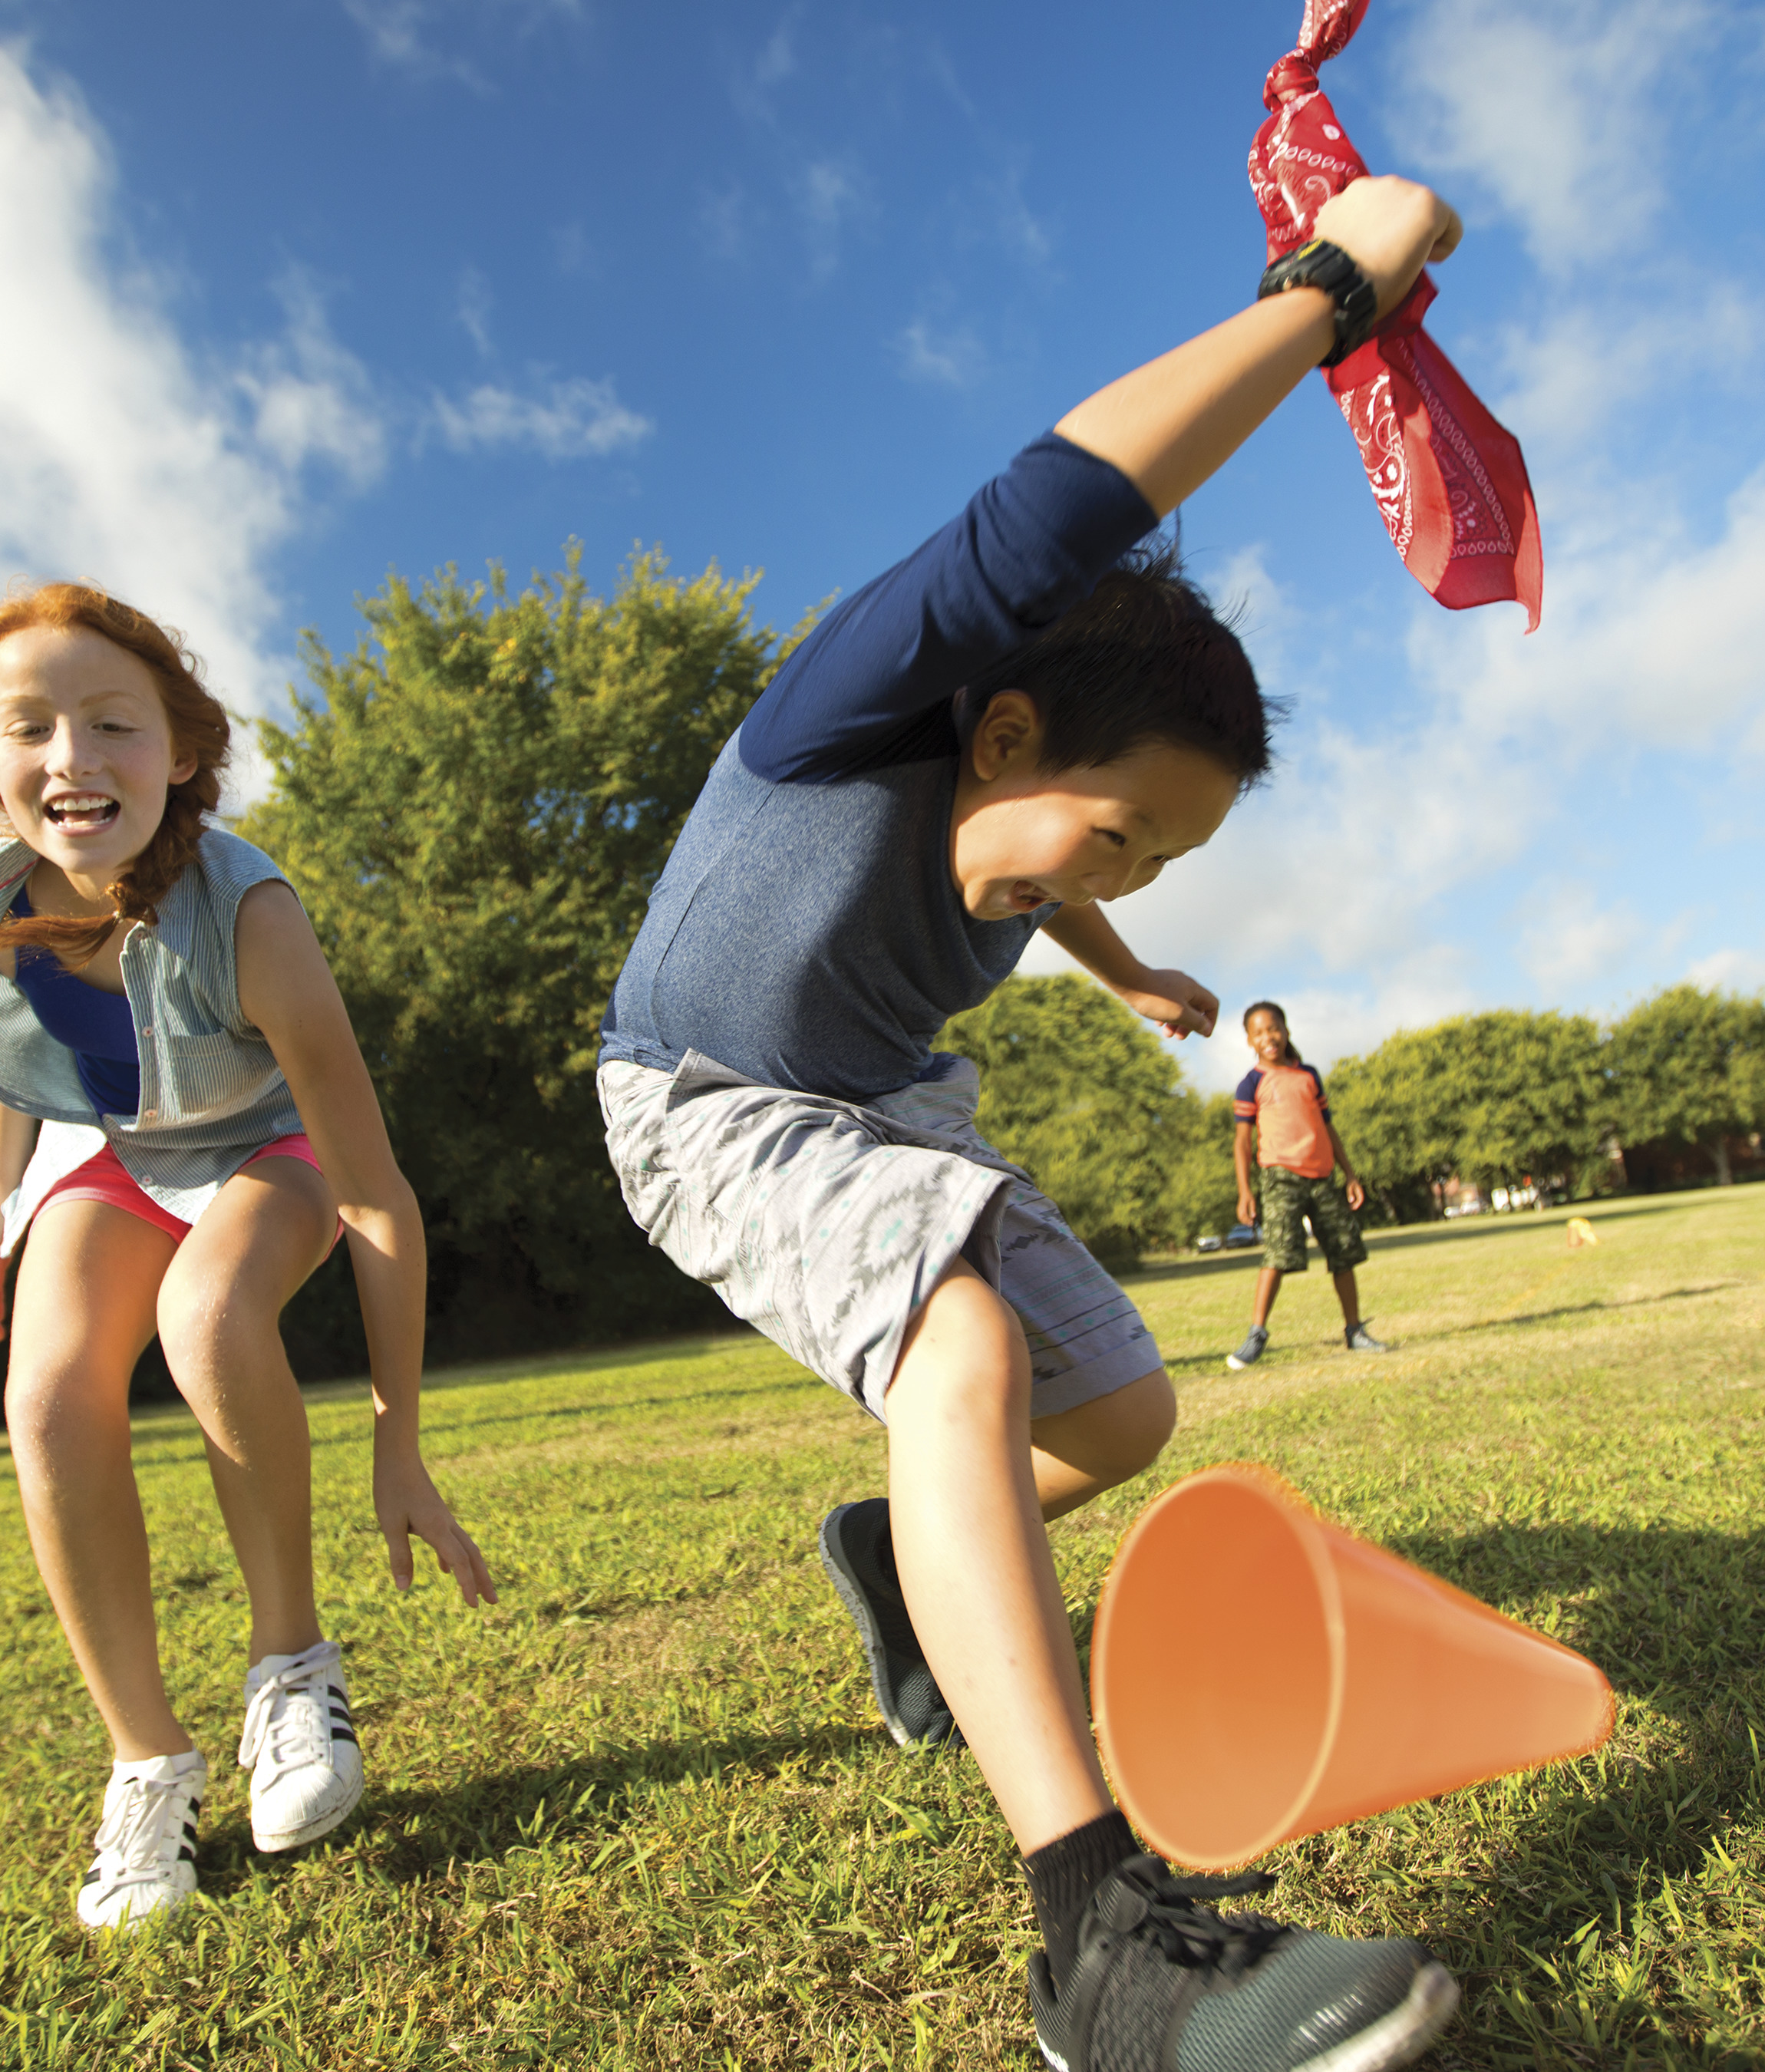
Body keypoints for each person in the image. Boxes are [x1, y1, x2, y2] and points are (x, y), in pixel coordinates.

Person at [596, 174, 1470, 2072]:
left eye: (1162, 851)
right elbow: (1064, 504)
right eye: (1119, 828)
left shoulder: (1024, 823)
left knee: (1119, 1405)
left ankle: (898, 1556)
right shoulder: (840, 711)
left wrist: (1126, 952)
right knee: (964, 1344)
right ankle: (1099, 1936)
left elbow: (1039, 860)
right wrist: (1330, 291)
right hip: (705, 1097)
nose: (1120, 862)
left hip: (883, 1104)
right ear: (998, 735)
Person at [0, 582, 493, 1930]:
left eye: (113, 724)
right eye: (32, 729)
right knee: (46, 1395)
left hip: (272, 1152)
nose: (72, 757)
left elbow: (376, 1197)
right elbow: (12, 1036)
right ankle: (146, 1763)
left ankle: (292, 1670)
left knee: (207, 1319)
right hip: (118, 1150)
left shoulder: (251, 917)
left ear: (178, 753)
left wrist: (398, 1436)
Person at [1225, 1001, 1384, 1368]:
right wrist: (1245, 1190)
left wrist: (1350, 1174)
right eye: (1259, 1032)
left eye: (1274, 1029)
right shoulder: (1252, 1083)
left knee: (1343, 1252)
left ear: (1286, 1031)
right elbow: (1242, 1142)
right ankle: (1256, 1335)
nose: (1269, 1037)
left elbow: (1328, 1127)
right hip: (1281, 1177)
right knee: (1278, 1255)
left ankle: (1355, 1331)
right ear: (1250, 1040)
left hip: (1323, 1177)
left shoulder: (1309, 1075)